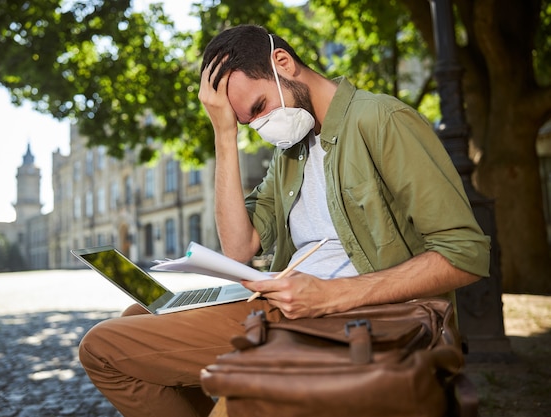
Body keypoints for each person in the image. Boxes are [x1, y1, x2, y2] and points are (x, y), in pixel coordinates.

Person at [78, 24, 490, 417]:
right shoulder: (291, 152)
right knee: (137, 313)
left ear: (284, 63)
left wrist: (332, 296)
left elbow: (464, 254)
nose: (261, 127)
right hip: (287, 308)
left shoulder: (380, 119)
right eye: (247, 122)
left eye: (259, 108)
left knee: (100, 348)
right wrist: (224, 135)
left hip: (345, 318)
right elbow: (239, 249)